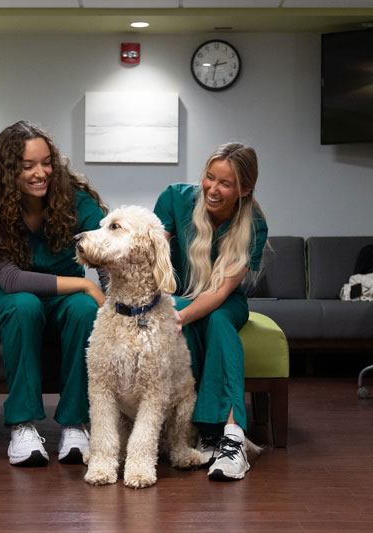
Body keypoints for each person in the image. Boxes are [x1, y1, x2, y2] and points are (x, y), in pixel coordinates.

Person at [0, 121, 107, 467]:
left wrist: (116, 304)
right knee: (25, 305)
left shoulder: (76, 200)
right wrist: (85, 284)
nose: (40, 173)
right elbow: (11, 279)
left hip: (65, 303)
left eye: (46, 162)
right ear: (7, 169)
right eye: (27, 166)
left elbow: (105, 260)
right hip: (5, 298)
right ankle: (23, 427)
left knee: (84, 310)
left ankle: (75, 424)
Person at [153, 142, 267, 481]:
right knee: (192, 314)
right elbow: (155, 259)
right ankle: (207, 433)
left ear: (244, 190)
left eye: (225, 184)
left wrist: (180, 315)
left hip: (225, 301)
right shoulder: (174, 198)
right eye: (209, 177)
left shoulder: (254, 225)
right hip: (176, 295)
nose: (212, 190)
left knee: (215, 318)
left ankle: (232, 439)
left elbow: (219, 294)